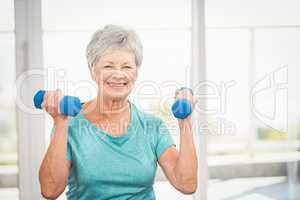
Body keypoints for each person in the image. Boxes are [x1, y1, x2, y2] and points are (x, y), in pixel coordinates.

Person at [38, 24, 198, 200]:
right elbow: (50, 190)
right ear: (93, 71)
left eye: (127, 67)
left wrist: (186, 123)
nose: (118, 74)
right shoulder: (69, 123)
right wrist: (60, 123)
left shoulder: (152, 126)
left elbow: (187, 184)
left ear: (136, 73)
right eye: (108, 66)